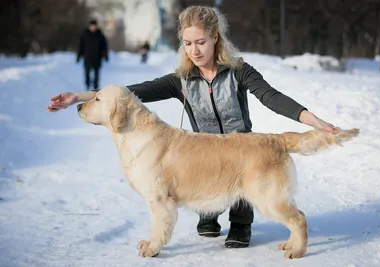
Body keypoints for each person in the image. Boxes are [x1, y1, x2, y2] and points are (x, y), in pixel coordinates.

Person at [48, 6, 339, 249]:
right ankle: (209, 215)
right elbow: (132, 92)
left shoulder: (240, 71)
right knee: (206, 225)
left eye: (200, 42)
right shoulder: (181, 79)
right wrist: (80, 96)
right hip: (200, 156)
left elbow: (271, 97)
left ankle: (242, 221)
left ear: (215, 38)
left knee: (249, 207)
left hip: (242, 153)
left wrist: (311, 119)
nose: (195, 50)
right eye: (188, 43)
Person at [76, 19, 109, 90]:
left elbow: (104, 47)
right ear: (89, 26)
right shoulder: (85, 34)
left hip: (97, 57)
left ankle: (95, 87)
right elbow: (81, 46)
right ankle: (87, 85)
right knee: (87, 72)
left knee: (96, 73)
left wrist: (105, 56)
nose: (93, 27)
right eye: (92, 26)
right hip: (87, 57)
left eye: (94, 26)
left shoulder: (100, 35)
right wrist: (78, 56)